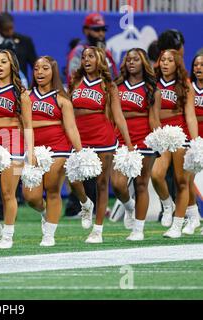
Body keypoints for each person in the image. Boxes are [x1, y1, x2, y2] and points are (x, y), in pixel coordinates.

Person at [69, 46, 133, 243]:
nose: (86, 60)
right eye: (84, 57)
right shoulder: (75, 81)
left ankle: (97, 230)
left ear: (100, 61)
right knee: (73, 177)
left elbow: (118, 116)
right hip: (80, 136)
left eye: (91, 57)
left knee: (102, 184)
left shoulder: (108, 85)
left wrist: (128, 143)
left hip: (102, 138)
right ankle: (85, 203)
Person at [23, 56, 83, 246]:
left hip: (58, 147)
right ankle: (45, 213)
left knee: (52, 188)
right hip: (34, 147)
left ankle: (49, 234)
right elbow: (26, 125)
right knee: (31, 197)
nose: (40, 72)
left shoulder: (62, 98)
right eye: (36, 69)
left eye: (45, 68)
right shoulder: (26, 96)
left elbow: (71, 128)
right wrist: (29, 151)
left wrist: (80, 152)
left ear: (53, 72)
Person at [0, 49, 34, 250]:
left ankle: (8, 235)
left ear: (12, 66)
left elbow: (27, 125)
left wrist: (32, 152)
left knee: (8, 193)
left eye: (4, 62)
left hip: (14, 144)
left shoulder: (21, 93)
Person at [110, 48, 161, 241]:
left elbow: (154, 118)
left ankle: (138, 230)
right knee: (117, 184)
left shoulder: (151, 89)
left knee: (141, 184)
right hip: (121, 138)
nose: (131, 62)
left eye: (136, 60)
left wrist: (159, 140)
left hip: (144, 137)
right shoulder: (117, 86)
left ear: (144, 63)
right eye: (128, 59)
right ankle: (129, 206)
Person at [151, 49, 198, 238]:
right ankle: (167, 203)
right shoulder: (153, 84)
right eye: (163, 60)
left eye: (170, 60)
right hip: (161, 136)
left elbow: (190, 115)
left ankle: (177, 225)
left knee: (181, 181)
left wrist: (195, 142)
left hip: (180, 136)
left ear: (177, 63)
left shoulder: (185, 86)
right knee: (156, 175)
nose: (165, 64)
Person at [0, 12, 37, 85]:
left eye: (11, 28)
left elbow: (35, 66)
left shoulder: (25, 41)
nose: (10, 31)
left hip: (21, 85)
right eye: (6, 29)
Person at [182, 53, 203, 235]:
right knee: (186, 179)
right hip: (192, 138)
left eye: (202, 65)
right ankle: (193, 216)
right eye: (196, 64)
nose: (199, 68)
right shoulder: (188, 86)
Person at [66, 12, 117, 85]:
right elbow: (73, 76)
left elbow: (114, 77)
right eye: (97, 30)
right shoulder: (79, 51)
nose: (101, 33)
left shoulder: (107, 52)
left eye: (103, 29)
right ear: (86, 31)